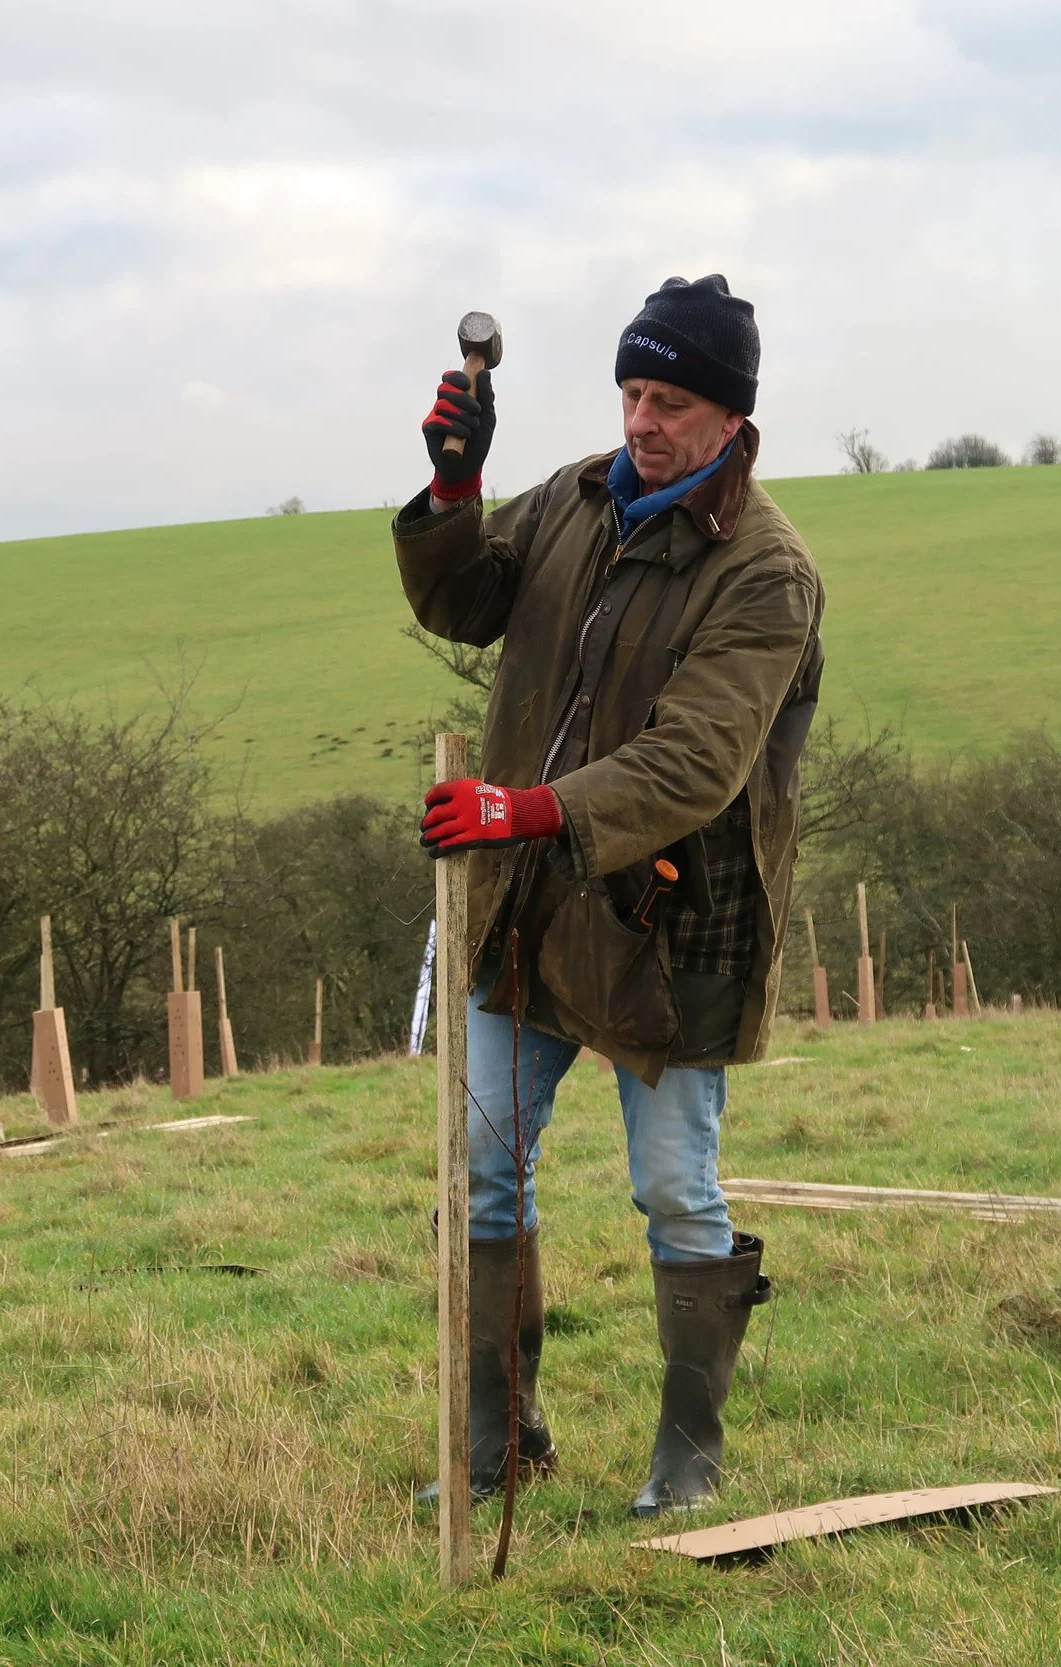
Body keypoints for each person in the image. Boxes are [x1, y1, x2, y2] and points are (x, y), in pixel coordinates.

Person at [397, 276, 824, 1516]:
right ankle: (495, 1440)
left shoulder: (766, 572)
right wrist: (453, 491)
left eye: (671, 400)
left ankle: (687, 1456)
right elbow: (465, 601)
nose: (642, 420)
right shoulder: (580, 496)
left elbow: (697, 758)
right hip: (528, 900)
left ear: (731, 416)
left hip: (675, 920)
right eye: (632, 392)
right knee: (480, 1164)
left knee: (673, 1186)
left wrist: (525, 807)